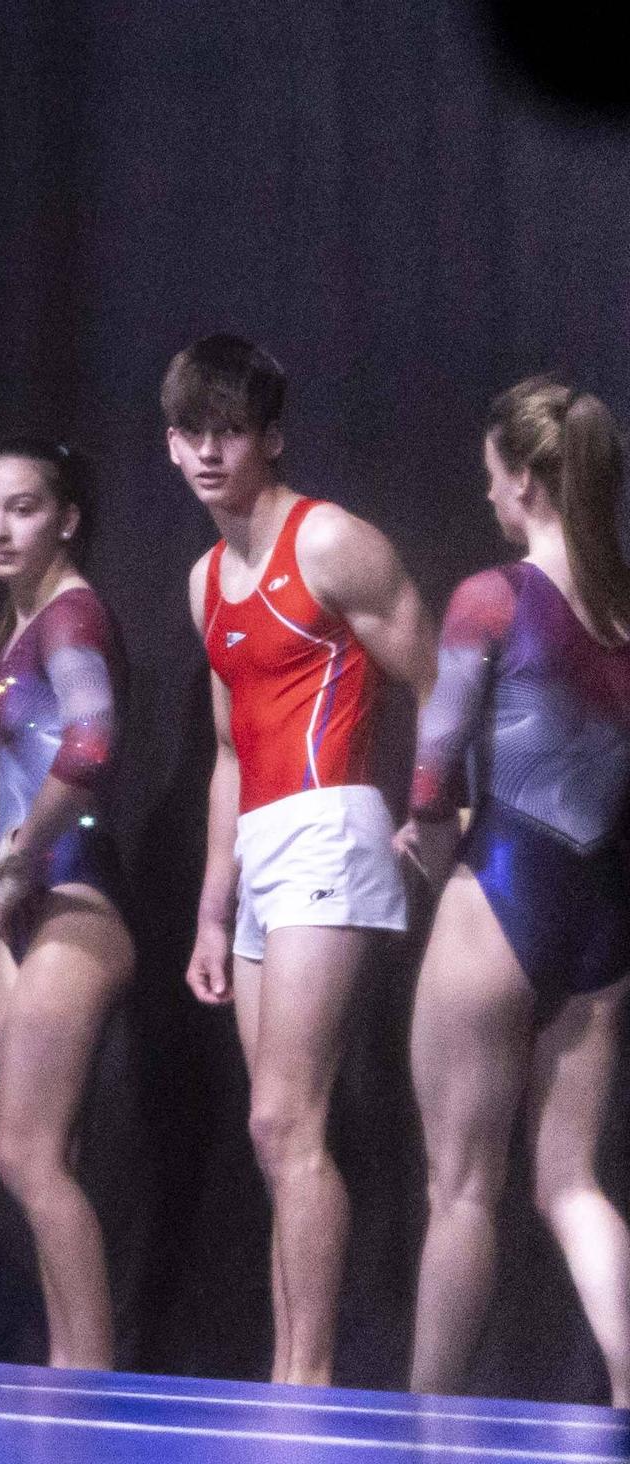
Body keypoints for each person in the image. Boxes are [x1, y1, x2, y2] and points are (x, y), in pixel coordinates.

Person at [172, 334, 433, 1385]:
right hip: (260, 842)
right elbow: (229, 755)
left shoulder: (327, 543)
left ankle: (307, 1383)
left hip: (331, 821)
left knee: (288, 1115)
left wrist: (438, 809)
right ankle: (291, 1375)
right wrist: (204, 911)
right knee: (270, 1128)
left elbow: (438, 680)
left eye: (226, 432)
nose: (205, 452)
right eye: (188, 433)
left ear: (269, 439)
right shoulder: (202, 580)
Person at [401, 378, 630, 1407]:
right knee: (570, 1185)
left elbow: (434, 760)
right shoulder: (623, 615)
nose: (486, 496)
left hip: (501, 891)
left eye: (493, 478)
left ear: (529, 480)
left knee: (458, 1191)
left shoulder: (492, 597)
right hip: (601, 920)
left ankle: (422, 1424)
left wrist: (420, 826)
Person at [0, 441, 132, 1369]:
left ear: (66, 517)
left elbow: (93, 743)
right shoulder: (23, 619)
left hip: (72, 891)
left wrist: (23, 854)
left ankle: (90, 1383)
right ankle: (67, 1366)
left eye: (22, 508)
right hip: (31, 904)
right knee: (40, 1160)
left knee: (26, 1158)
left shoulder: (70, 616)